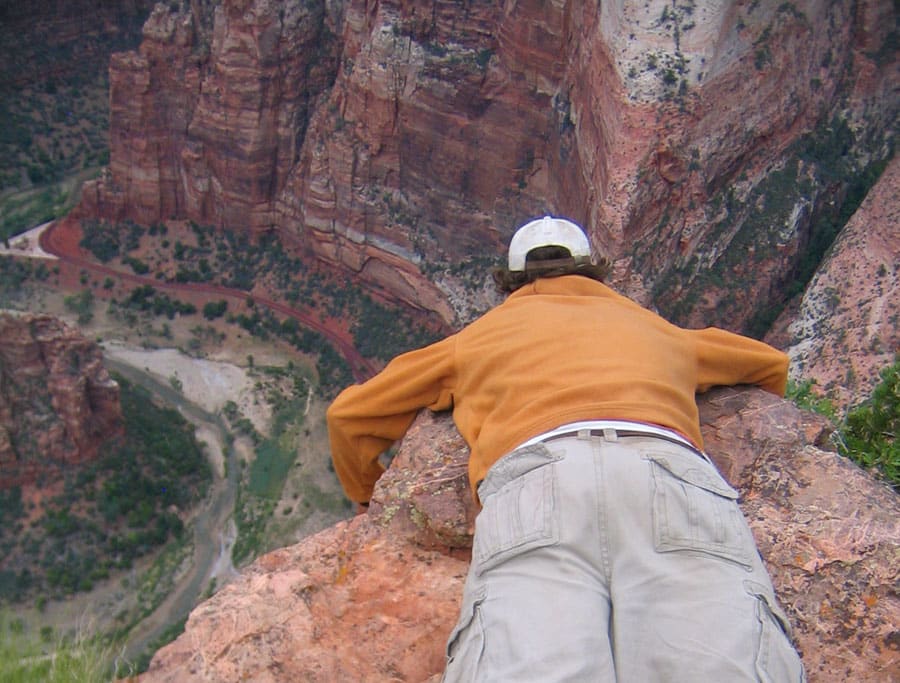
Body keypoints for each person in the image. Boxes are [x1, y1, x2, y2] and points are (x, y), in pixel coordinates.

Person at [327, 215, 805, 682]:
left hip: (536, 485)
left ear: (512, 283)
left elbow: (348, 418)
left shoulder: (473, 341)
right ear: (591, 271)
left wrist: (368, 498)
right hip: (667, 473)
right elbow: (770, 365)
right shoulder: (661, 331)